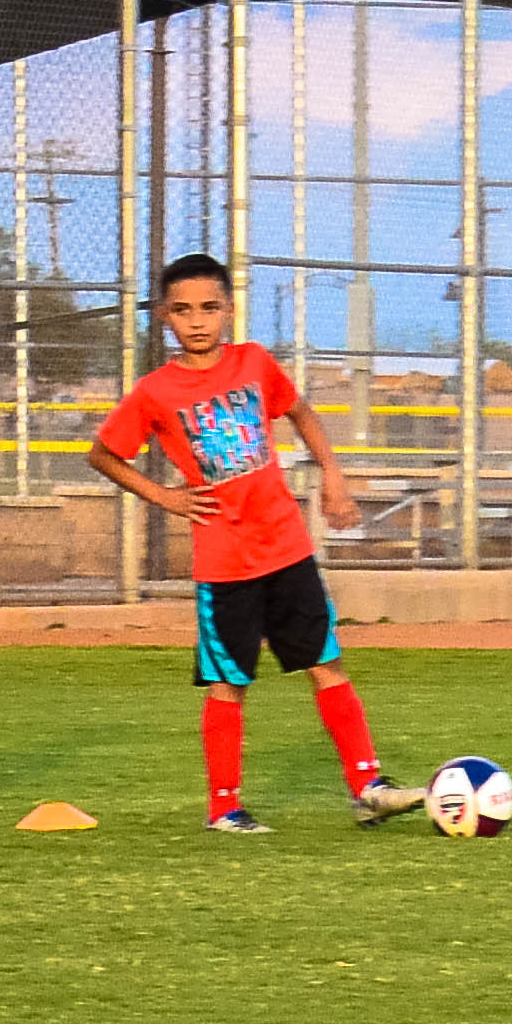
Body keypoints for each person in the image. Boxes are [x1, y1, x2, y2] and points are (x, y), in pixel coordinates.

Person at [87, 253, 427, 833]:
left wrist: (334, 476)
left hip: (287, 549)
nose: (197, 321)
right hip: (224, 564)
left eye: (210, 308)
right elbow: (102, 454)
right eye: (183, 310)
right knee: (228, 683)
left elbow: (303, 414)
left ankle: (367, 785)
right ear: (166, 317)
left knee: (327, 662)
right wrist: (164, 497)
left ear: (229, 310)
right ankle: (225, 808)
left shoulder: (255, 363)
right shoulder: (155, 391)